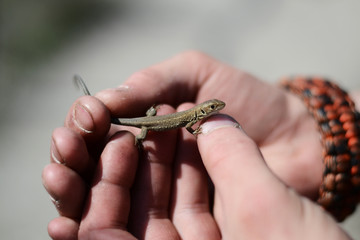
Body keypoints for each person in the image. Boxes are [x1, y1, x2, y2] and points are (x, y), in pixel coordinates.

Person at [42, 51, 357, 239]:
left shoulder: (195, 115)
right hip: (147, 127)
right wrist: (184, 132)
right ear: (205, 112)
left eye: (213, 109)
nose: (214, 111)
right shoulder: (193, 119)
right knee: (135, 135)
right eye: (212, 109)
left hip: (152, 120)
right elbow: (189, 125)